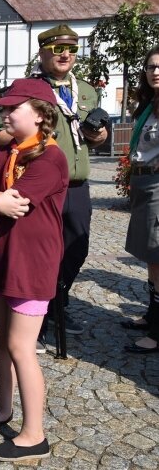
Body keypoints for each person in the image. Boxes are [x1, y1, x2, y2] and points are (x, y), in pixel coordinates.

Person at [0, 79, 68, 462]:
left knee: (20, 347)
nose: (5, 114)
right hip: (4, 259)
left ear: (41, 116)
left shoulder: (50, 158)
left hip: (33, 264)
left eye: (14, 109)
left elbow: (19, 204)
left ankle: (34, 434)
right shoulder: (4, 152)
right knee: (4, 341)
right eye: (4, 109)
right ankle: (4, 409)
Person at [10, 24, 106, 348]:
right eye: (57, 49)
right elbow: (4, 131)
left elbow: (91, 138)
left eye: (71, 49)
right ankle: (34, 319)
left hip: (77, 184)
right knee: (42, 252)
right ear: (43, 53)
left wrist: (100, 137)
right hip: (44, 183)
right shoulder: (31, 90)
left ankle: (55, 302)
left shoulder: (89, 91)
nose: (65, 54)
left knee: (77, 248)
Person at [123, 46, 159, 353]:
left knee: (158, 256)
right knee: (151, 256)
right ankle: (152, 315)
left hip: (158, 186)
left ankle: (158, 332)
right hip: (143, 181)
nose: (155, 72)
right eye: (150, 67)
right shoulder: (149, 105)